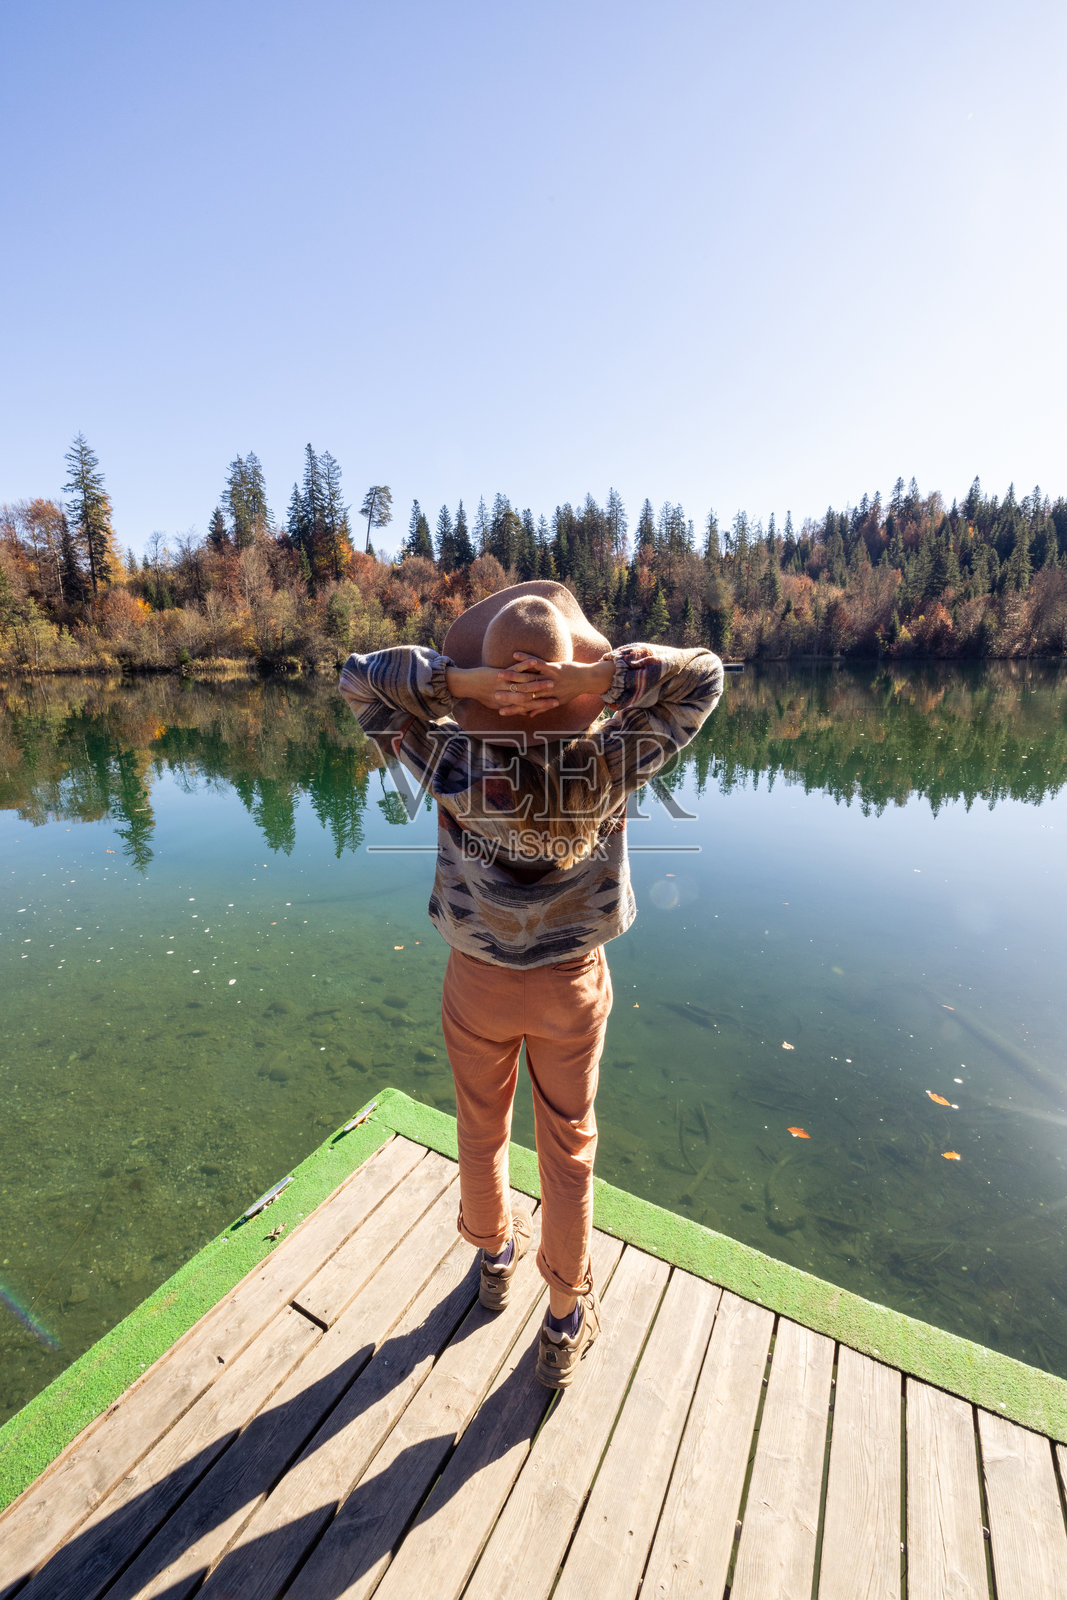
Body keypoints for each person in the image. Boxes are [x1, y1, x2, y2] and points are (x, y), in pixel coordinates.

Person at [339, 581, 723, 1387]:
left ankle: (493, 1259)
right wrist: (598, 683)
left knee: (481, 1130)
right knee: (569, 1146)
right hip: (569, 988)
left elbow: (356, 676)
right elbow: (703, 677)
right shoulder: (611, 754)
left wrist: (459, 685)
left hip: (476, 980)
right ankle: (562, 1319)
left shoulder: (444, 755)